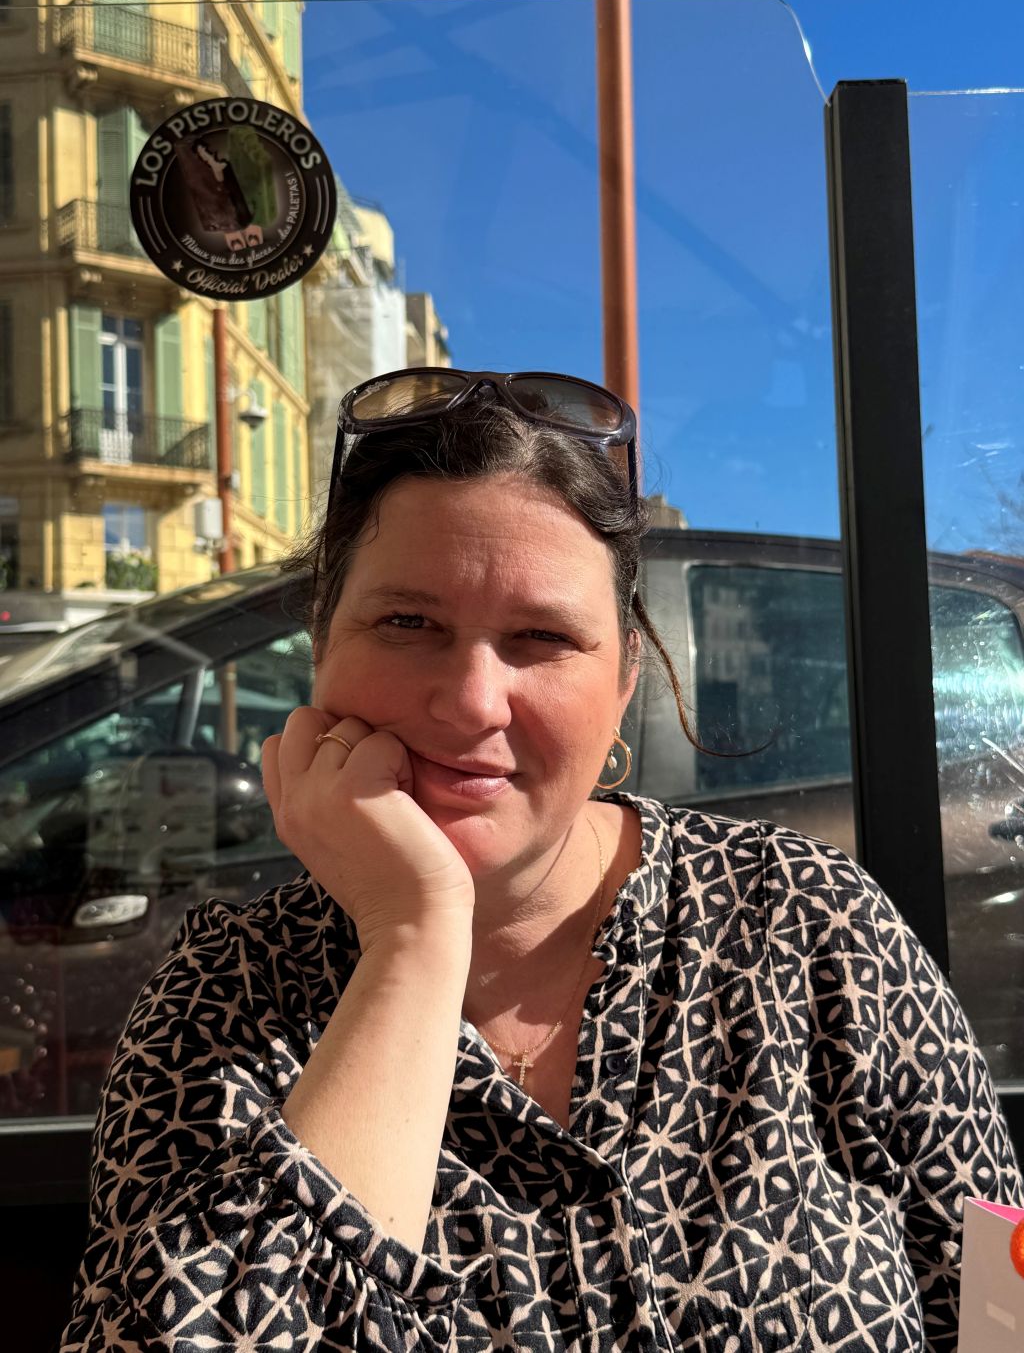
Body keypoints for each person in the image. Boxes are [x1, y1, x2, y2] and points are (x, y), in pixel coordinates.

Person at [59, 369, 1022, 1351]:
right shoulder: (226, 994)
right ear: (321, 643)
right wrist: (412, 939)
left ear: (625, 680)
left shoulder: (809, 925)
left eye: (542, 637)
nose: (473, 700)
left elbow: (999, 1313)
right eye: (408, 623)